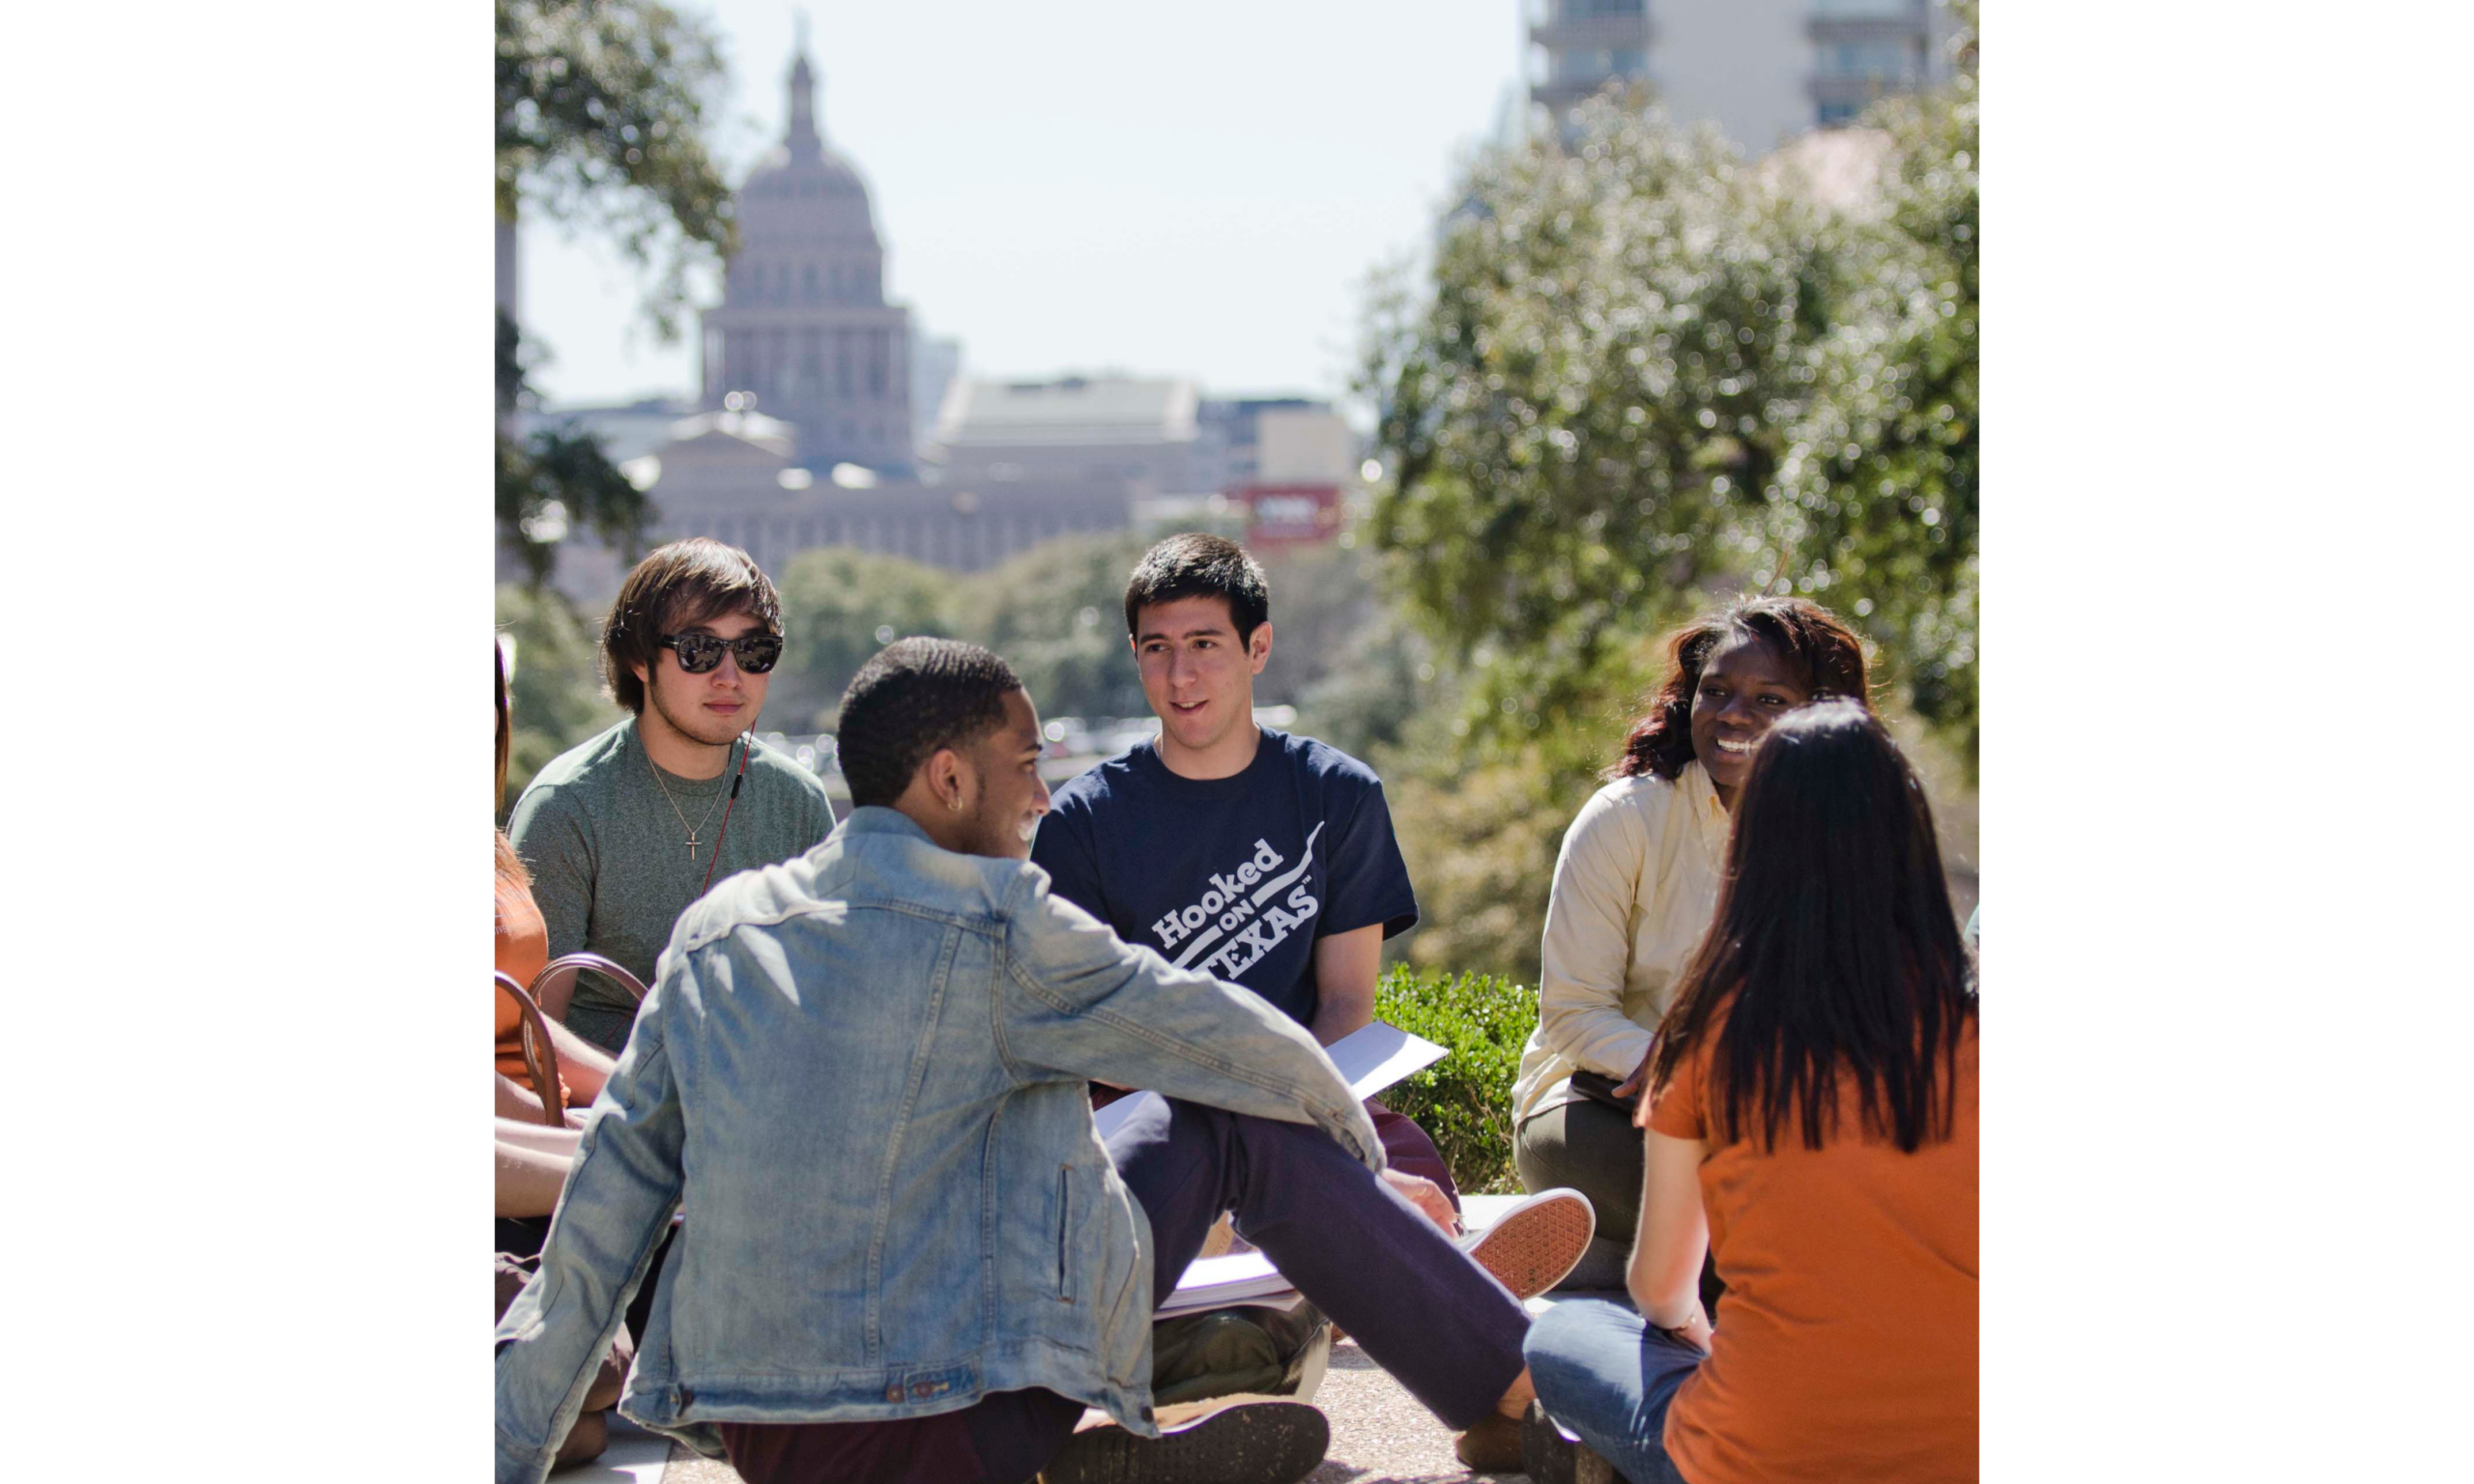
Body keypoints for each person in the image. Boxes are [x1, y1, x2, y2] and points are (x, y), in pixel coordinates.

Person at [493, 640, 1548, 1484]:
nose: (1045, 796)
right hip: (940, 1429)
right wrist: (1367, 1172)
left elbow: (602, 1215)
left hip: (771, 1444)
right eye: (1029, 764)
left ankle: (1086, 1437)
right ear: (950, 778)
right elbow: (1240, 1043)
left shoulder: (717, 932)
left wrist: (500, 1455)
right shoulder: (1002, 920)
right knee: (1229, 1111)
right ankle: (1514, 1397)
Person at [1521, 700, 1979, 1484]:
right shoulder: (1975, 1031)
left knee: (1561, 1339)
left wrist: (1699, 1337)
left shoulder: (1717, 1033)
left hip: (1759, 1455)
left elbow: (1663, 1289)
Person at [1509, 597, 1868, 1278]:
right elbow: (1574, 1016)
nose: (1734, 714)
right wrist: (1702, 1079)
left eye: (1770, 699)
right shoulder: (1626, 819)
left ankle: (1649, 1271)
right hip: (1602, 1108)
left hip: (1774, 1127)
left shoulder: (1848, 840)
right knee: (1745, 1212)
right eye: (1718, 691)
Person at [507, 538, 837, 1055]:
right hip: (604, 1115)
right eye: (699, 650)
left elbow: (825, 995)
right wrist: (656, 1101)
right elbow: (533, 1035)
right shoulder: (566, 806)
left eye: (753, 652)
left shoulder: (798, 801)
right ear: (639, 659)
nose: (729, 678)